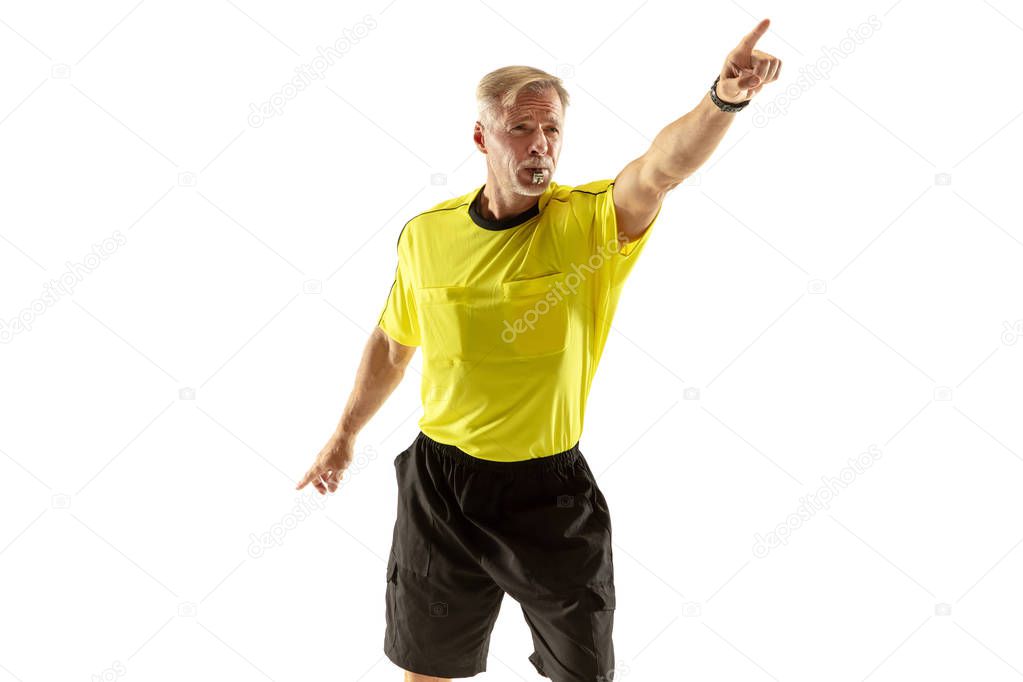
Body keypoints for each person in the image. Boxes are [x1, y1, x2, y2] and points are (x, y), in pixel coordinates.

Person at [297, 19, 781, 682]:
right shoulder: (426, 235)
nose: (540, 145)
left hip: (548, 495)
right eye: (521, 129)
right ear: (481, 137)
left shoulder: (589, 223)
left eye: (551, 129)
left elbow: (660, 169)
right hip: (441, 486)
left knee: (581, 673)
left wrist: (722, 100)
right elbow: (392, 340)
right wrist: (344, 432)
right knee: (426, 668)